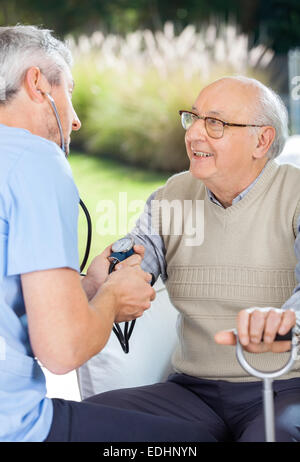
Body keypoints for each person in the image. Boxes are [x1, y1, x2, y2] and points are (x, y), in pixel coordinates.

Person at [0, 25, 218, 442]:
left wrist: (89, 288)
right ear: (37, 84)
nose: (76, 119)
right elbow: (62, 351)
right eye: (70, 92)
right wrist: (114, 299)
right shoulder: (36, 160)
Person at [89, 76, 300, 442]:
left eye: (215, 123)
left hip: (285, 388)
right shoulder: (173, 194)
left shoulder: (294, 195)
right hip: (192, 393)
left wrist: (285, 319)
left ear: (261, 141)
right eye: (194, 117)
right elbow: (137, 254)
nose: (195, 134)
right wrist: (115, 274)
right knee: (85, 424)